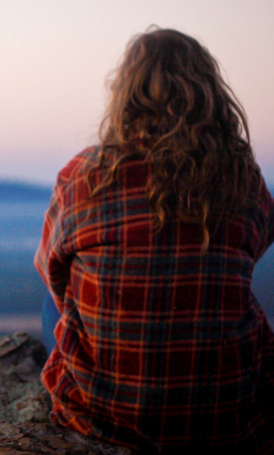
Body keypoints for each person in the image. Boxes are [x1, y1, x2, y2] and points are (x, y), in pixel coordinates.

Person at [34, 28, 274, 453]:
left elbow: (52, 272)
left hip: (106, 417)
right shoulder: (243, 176)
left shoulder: (84, 173)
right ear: (209, 91)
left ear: (125, 92)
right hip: (223, 415)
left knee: (56, 299)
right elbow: (254, 249)